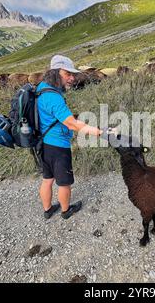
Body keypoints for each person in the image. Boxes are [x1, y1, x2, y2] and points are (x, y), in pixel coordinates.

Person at [37, 55, 110, 220]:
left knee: (47, 179)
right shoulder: (54, 98)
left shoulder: (42, 87)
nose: (72, 78)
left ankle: (48, 210)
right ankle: (65, 210)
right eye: (67, 74)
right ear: (55, 72)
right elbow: (73, 125)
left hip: (43, 143)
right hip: (58, 145)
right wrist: (100, 132)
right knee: (64, 182)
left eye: (73, 74)